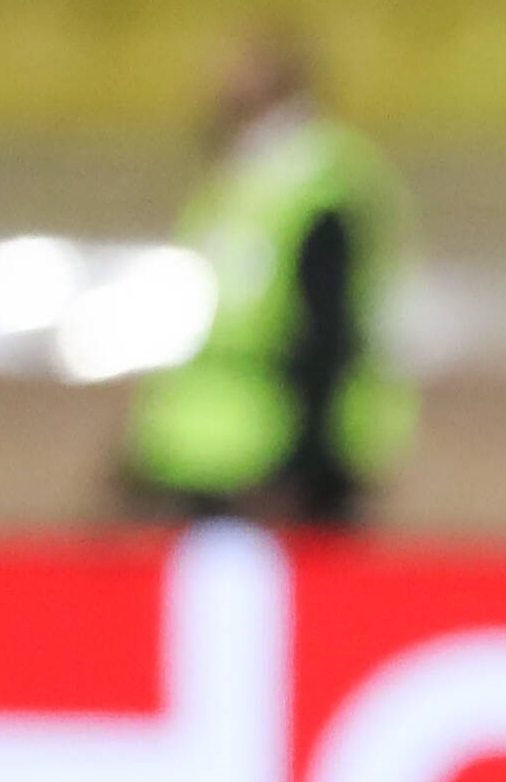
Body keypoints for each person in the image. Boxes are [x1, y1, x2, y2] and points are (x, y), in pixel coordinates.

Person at [127, 28, 412, 525]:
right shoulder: (243, 182)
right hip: (214, 451)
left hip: (270, 459)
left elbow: (326, 332)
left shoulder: (314, 189)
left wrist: (305, 466)